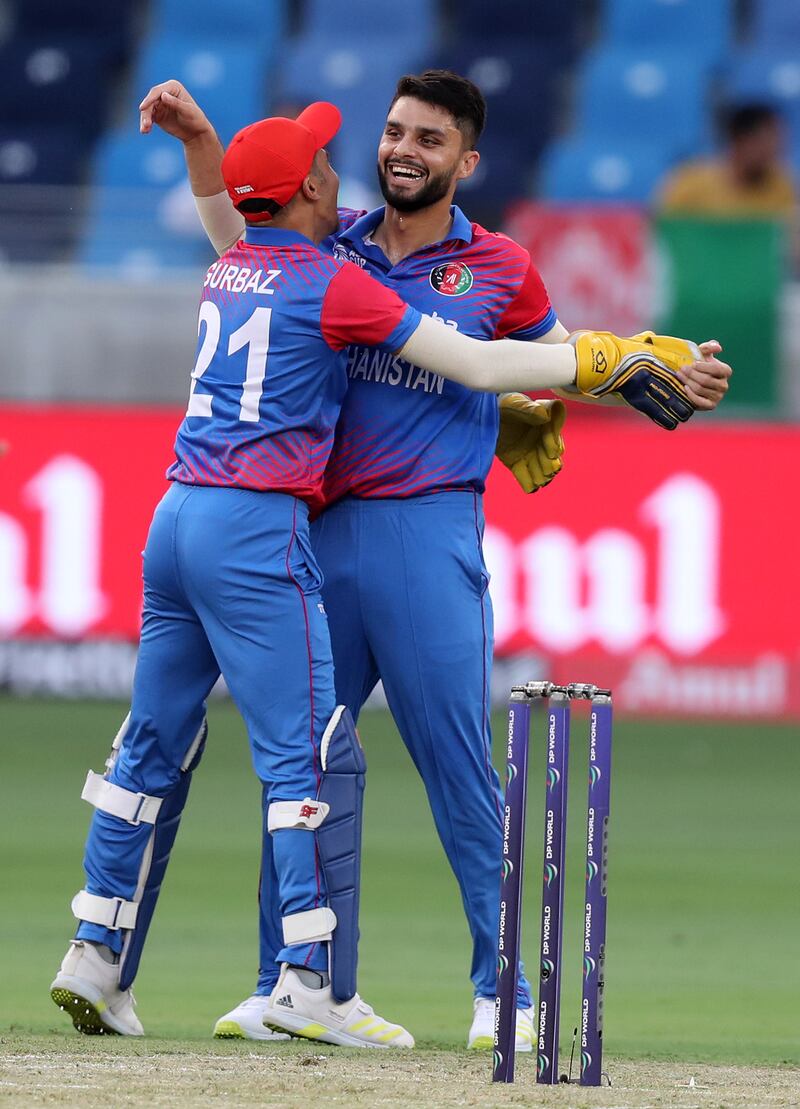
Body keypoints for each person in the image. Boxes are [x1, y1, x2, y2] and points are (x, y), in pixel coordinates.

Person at [138, 71, 732, 1052]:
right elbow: (235, 243)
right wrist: (200, 144)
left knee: (456, 765)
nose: (404, 150)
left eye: (430, 139)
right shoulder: (330, 241)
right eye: (395, 132)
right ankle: (296, 982)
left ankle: (505, 993)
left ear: (467, 161)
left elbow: (549, 363)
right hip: (316, 531)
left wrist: (654, 374)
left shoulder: (499, 266)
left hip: (425, 534)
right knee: (307, 758)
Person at [659, 102, 798, 218]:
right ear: (739, 140)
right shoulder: (690, 183)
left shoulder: (784, 187)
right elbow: (664, 232)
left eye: (779, 143)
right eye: (768, 143)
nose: (776, 151)